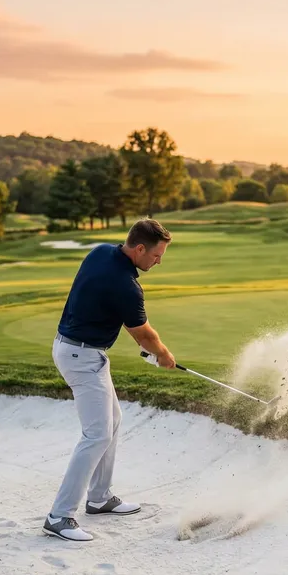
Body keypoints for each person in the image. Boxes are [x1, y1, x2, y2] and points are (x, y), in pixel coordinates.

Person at [43, 219, 177, 542]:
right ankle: (59, 516)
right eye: (157, 255)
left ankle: (99, 497)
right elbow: (143, 334)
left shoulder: (101, 252)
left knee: (113, 421)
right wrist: (164, 355)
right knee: (97, 434)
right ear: (140, 248)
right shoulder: (126, 285)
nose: (159, 261)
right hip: (82, 356)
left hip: (77, 350)